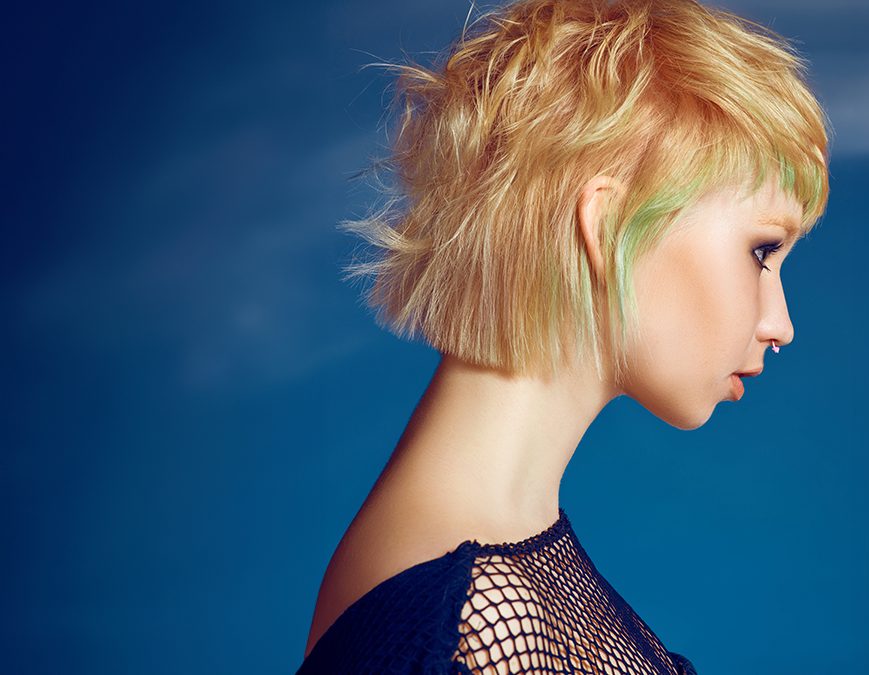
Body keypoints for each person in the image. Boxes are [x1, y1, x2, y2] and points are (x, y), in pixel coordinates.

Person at [297, 0, 829, 672]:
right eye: (761, 251)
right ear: (608, 226)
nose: (780, 323)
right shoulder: (472, 623)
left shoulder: (503, 574)